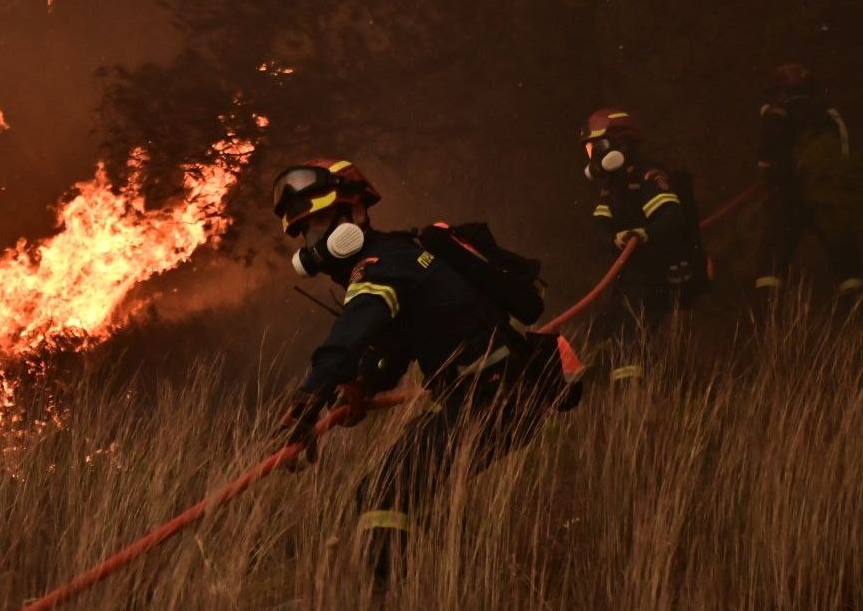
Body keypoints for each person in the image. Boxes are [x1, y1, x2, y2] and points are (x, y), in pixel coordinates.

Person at [271, 158, 581, 582]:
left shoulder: (380, 266)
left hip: (493, 396)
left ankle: (391, 596)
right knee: (393, 485)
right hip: (488, 394)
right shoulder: (397, 256)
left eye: (322, 221)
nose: (316, 239)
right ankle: (425, 582)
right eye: (307, 230)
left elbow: (350, 333)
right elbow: (395, 346)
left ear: (356, 212)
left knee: (386, 489)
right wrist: (366, 381)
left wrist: (310, 397)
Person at [580, 108, 709, 378]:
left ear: (618, 146)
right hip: (635, 275)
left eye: (596, 149)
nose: (592, 158)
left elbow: (671, 217)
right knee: (601, 327)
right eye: (589, 152)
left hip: (662, 274)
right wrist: (615, 238)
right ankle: (604, 382)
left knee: (629, 328)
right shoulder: (612, 185)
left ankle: (634, 390)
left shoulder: (648, 177)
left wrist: (645, 233)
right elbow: (598, 227)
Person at [753, 63, 863, 311]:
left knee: (771, 258)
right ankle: (856, 322)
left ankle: (765, 325)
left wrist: (771, 178)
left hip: (789, 198)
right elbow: (844, 155)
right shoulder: (829, 114)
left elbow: (766, 158)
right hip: (827, 197)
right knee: (846, 257)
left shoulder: (776, 115)